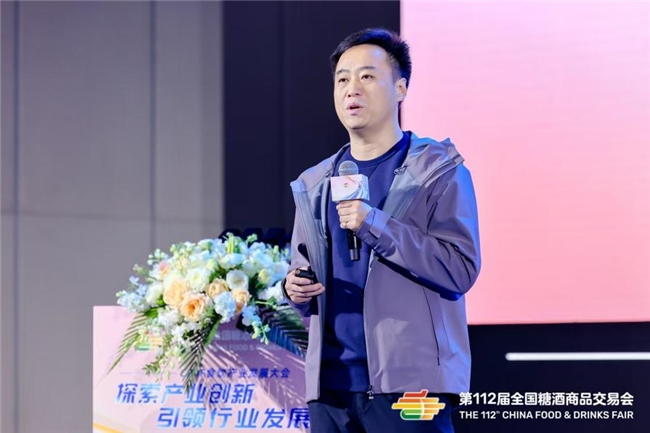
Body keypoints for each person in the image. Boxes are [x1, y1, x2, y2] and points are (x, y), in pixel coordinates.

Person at [282, 28, 481, 433]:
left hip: (413, 386)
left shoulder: (437, 170)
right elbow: (302, 275)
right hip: (330, 389)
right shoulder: (315, 183)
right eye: (342, 79)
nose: (351, 89)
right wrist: (294, 288)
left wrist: (375, 223)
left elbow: (460, 269)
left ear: (401, 88)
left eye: (367, 76)